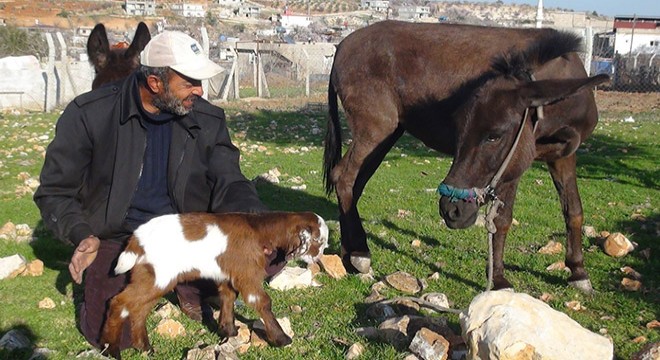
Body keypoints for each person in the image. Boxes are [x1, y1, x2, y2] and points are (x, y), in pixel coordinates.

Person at [34, 31, 280, 351]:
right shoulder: (89, 115)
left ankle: (189, 287)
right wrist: (83, 235)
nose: (199, 90)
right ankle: (160, 282)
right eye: (189, 81)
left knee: (274, 247)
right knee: (111, 337)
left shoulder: (207, 118)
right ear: (155, 83)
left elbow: (230, 180)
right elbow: (54, 191)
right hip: (122, 237)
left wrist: (253, 222)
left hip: (188, 234)